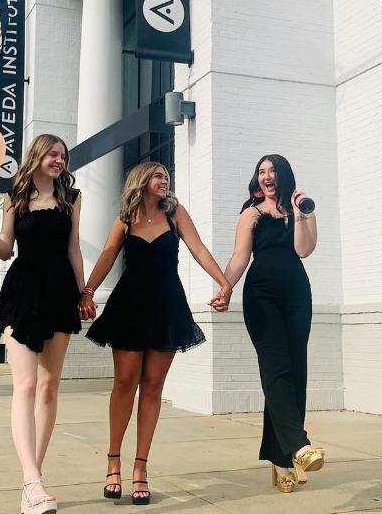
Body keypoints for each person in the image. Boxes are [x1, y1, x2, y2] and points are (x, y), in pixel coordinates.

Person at [79, 162, 232, 506]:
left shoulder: (175, 213)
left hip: (166, 305)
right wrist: (88, 291)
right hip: (130, 305)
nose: (164, 180)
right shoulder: (125, 217)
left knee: (152, 387)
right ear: (141, 181)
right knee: (124, 382)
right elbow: (106, 255)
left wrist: (224, 282)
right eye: (158, 175)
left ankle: (140, 469)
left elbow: (199, 250)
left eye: (166, 176)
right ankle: (113, 461)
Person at [0, 134, 84, 514]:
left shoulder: (71, 198)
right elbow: (5, 249)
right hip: (22, 291)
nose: (59, 160)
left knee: (49, 388)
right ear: (37, 155)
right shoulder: (14, 197)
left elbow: (74, 249)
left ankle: (32, 481)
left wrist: (83, 293)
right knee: (27, 384)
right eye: (52, 153)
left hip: (60, 292)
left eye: (63, 156)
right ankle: (33, 483)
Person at [214, 154, 323, 493]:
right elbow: (239, 257)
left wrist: (304, 216)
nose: (266, 176)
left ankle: (281, 461)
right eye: (261, 171)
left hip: (297, 298)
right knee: (276, 369)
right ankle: (300, 447)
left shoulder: (300, 210)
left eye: (272, 170)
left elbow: (304, 250)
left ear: (283, 175)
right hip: (262, 298)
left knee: (295, 372)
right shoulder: (251, 213)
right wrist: (225, 287)